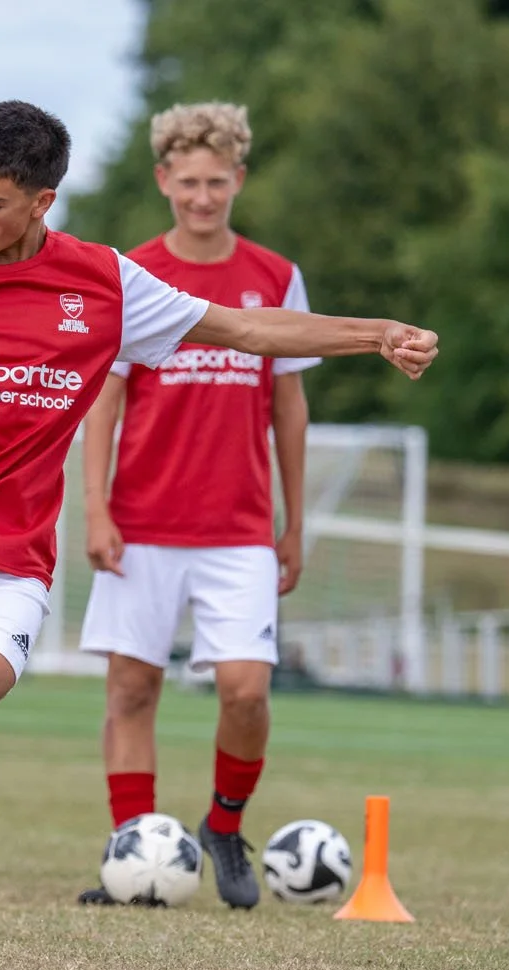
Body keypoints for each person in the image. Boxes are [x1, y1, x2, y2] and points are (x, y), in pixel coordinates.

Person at [0, 100, 437, 966]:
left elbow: (244, 327)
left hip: (2, 566)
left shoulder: (107, 285)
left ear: (44, 201)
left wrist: (374, 332)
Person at [76, 102, 320, 909]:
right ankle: (130, 858)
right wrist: (96, 508)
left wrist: (295, 520)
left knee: (247, 689)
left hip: (239, 527)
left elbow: (290, 407)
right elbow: (104, 400)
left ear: (239, 179)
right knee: (131, 690)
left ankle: (222, 823)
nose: (204, 197)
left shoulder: (276, 276)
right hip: (141, 522)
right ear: (163, 180)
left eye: (218, 182)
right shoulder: (130, 272)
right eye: (188, 182)